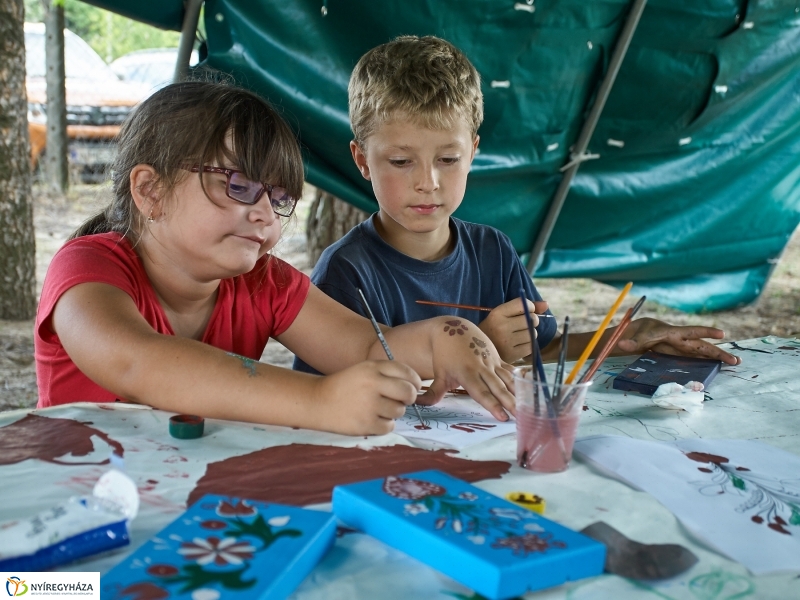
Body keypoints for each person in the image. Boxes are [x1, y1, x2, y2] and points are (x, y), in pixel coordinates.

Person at [34, 81, 517, 437]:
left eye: (278, 195)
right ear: (150, 191)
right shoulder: (87, 270)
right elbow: (137, 365)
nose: (265, 213)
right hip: (73, 518)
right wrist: (318, 400)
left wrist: (443, 336)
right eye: (238, 186)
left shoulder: (265, 282)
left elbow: (369, 347)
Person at [294, 35, 740, 372]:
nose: (427, 182)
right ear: (362, 161)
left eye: (448, 159)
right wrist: (477, 351)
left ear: (473, 152)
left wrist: (624, 338)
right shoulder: (345, 275)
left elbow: (541, 350)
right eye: (400, 161)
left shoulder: (492, 251)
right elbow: (334, 396)